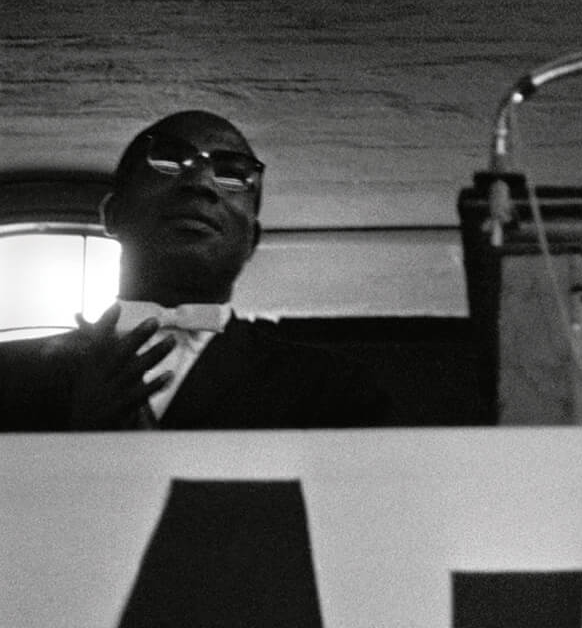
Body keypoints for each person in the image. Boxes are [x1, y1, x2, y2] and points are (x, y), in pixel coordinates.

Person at [0, 111, 395, 430]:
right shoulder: (12, 377)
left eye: (232, 174)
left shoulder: (332, 389)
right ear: (113, 213)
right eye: (170, 161)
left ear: (252, 240)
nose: (201, 183)